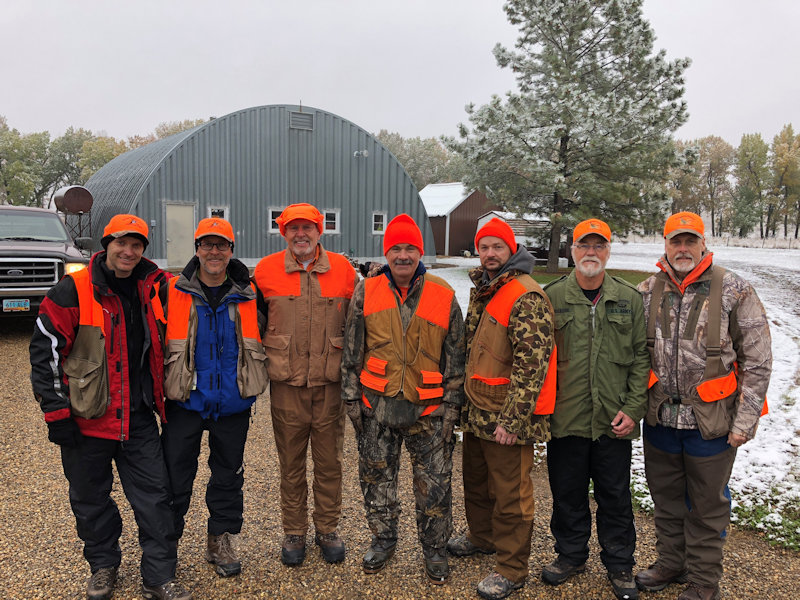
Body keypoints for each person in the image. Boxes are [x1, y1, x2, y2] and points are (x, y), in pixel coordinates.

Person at [29, 214, 192, 600]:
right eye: (122, 243)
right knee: (89, 501)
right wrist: (56, 413)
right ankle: (103, 566)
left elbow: (203, 288)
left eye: (137, 245)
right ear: (107, 245)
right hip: (86, 420)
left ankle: (157, 576)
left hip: (137, 418)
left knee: (156, 498)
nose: (129, 251)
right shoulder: (73, 289)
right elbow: (45, 354)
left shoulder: (154, 287)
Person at [635, 212, 772, 600]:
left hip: (711, 424)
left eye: (689, 241)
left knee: (707, 508)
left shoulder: (734, 289)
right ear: (664, 244)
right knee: (665, 499)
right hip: (660, 418)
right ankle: (671, 563)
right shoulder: (647, 290)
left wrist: (744, 421)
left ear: (702, 243)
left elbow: (758, 361)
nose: (683, 248)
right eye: (675, 241)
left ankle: (704, 582)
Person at [340, 214, 465, 585]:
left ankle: (435, 548)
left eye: (410, 248)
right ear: (387, 252)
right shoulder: (366, 291)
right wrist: (351, 399)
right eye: (396, 248)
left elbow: (456, 356)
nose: (403, 255)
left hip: (428, 409)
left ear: (420, 252)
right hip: (376, 405)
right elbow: (352, 349)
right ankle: (384, 539)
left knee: (435, 486)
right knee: (377, 480)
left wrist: (452, 407)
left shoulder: (443, 294)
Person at [446, 218, 555, 600]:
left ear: (512, 250)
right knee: (476, 482)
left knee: (511, 494)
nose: (490, 254)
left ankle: (512, 568)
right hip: (479, 411)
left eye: (497, 247)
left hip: (508, 417)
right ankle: (482, 537)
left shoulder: (525, 294)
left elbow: (532, 364)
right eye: (484, 247)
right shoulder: (489, 288)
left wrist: (512, 420)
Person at [541, 218, 649, 600]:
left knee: (615, 496)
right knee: (567, 493)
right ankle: (570, 556)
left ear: (608, 250)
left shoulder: (628, 298)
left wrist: (633, 409)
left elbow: (640, 358)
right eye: (584, 245)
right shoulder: (551, 297)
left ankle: (620, 564)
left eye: (598, 246)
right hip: (565, 418)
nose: (591, 252)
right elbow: (538, 359)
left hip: (612, 421)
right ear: (572, 250)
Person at [161, 217, 267, 577]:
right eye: (207, 244)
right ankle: (167, 543)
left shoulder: (252, 294)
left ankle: (219, 539)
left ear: (231, 250)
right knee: (175, 476)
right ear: (196, 250)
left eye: (221, 245)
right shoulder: (171, 291)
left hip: (233, 403)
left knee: (227, 476)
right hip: (184, 403)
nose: (214, 251)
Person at [253, 203, 356, 566]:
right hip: (287, 387)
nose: (301, 234)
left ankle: (327, 529)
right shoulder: (264, 271)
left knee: (330, 464)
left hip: (329, 387)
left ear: (319, 231)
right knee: (291, 464)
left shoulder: (344, 272)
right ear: (284, 232)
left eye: (307, 228)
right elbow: (253, 326)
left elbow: (356, 328)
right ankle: (294, 531)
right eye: (293, 228)